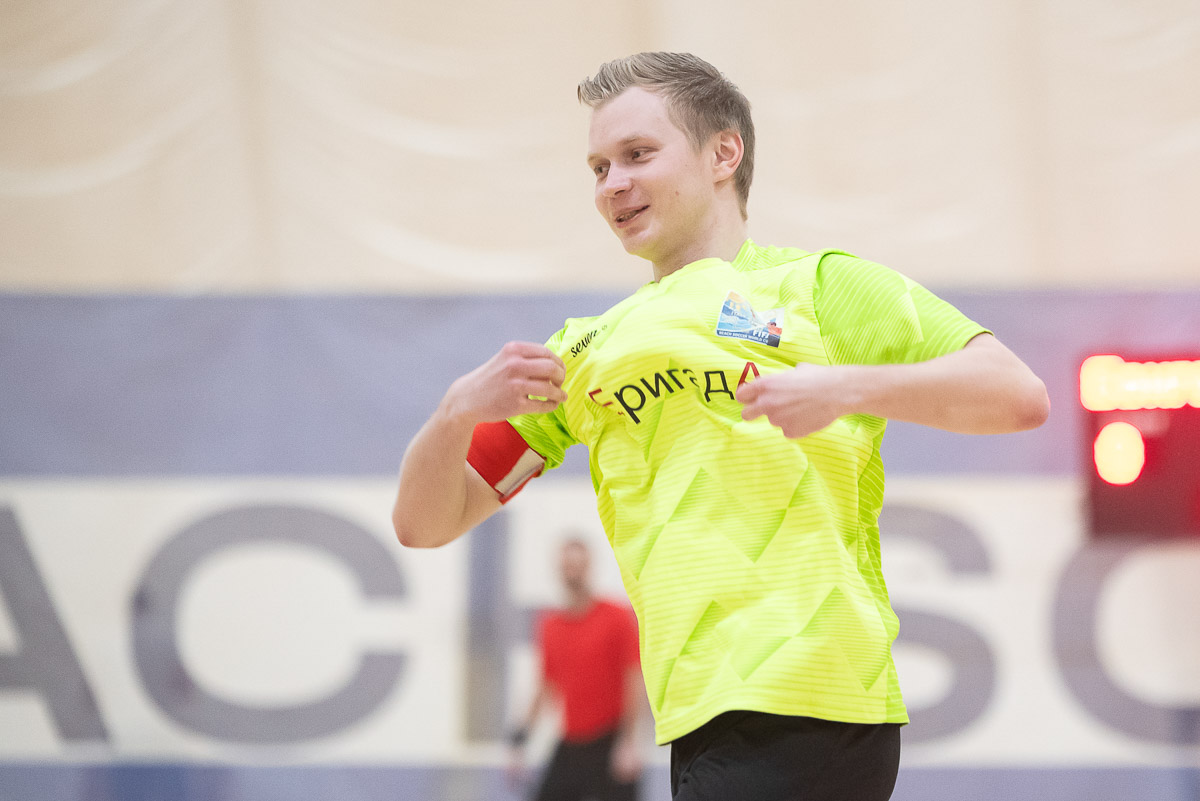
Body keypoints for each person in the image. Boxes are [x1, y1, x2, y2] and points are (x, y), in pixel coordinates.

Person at [393, 52, 1050, 801]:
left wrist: (844, 387)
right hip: (698, 714)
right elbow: (424, 522)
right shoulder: (584, 349)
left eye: (638, 154)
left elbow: (1017, 393)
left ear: (723, 154)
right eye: (599, 167)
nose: (612, 184)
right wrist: (454, 413)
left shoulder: (818, 287)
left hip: (812, 693)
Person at [507, 537, 645, 801]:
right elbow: (546, 686)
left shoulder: (616, 617)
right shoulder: (551, 626)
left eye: (578, 566)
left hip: (610, 738)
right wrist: (520, 739)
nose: (573, 573)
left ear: (589, 567)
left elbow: (633, 678)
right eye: (568, 566)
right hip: (572, 741)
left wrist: (628, 741)